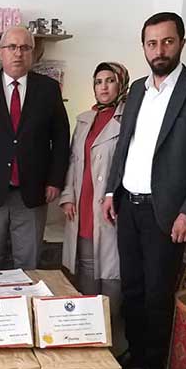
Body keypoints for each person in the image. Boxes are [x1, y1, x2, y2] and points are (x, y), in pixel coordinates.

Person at [103, 12, 186, 369]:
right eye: (152, 43)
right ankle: (137, 350)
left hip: (168, 213)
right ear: (144, 47)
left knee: (158, 293)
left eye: (167, 42)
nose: (160, 50)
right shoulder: (137, 91)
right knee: (133, 287)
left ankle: (154, 365)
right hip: (129, 206)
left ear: (181, 43)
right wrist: (111, 193)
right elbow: (125, 146)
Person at [0, 26, 70, 270]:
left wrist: (55, 180)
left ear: (33, 53)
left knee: (28, 264)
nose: (18, 53)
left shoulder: (49, 89)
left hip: (33, 191)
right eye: (11, 47)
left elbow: (61, 138)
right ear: (0, 51)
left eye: (25, 47)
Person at [60, 62, 129, 313]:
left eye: (110, 81)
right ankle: (90, 325)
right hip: (84, 203)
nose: (103, 87)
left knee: (113, 271)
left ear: (121, 84)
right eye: (98, 82)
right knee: (87, 268)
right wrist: (68, 195)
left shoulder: (130, 118)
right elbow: (72, 160)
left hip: (113, 205)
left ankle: (112, 329)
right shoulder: (84, 120)